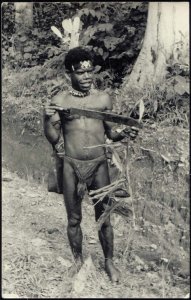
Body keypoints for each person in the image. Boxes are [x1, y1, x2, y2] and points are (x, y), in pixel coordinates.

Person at [43, 47, 138, 282]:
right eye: (80, 73)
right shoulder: (60, 101)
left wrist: (125, 132)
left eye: (89, 72)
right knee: (74, 219)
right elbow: (54, 139)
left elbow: (112, 134)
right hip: (71, 165)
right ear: (69, 74)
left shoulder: (103, 99)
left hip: (98, 165)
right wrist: (46, 118)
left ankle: (109, 262)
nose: (86, 77)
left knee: (104, 216)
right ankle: (77, 261)